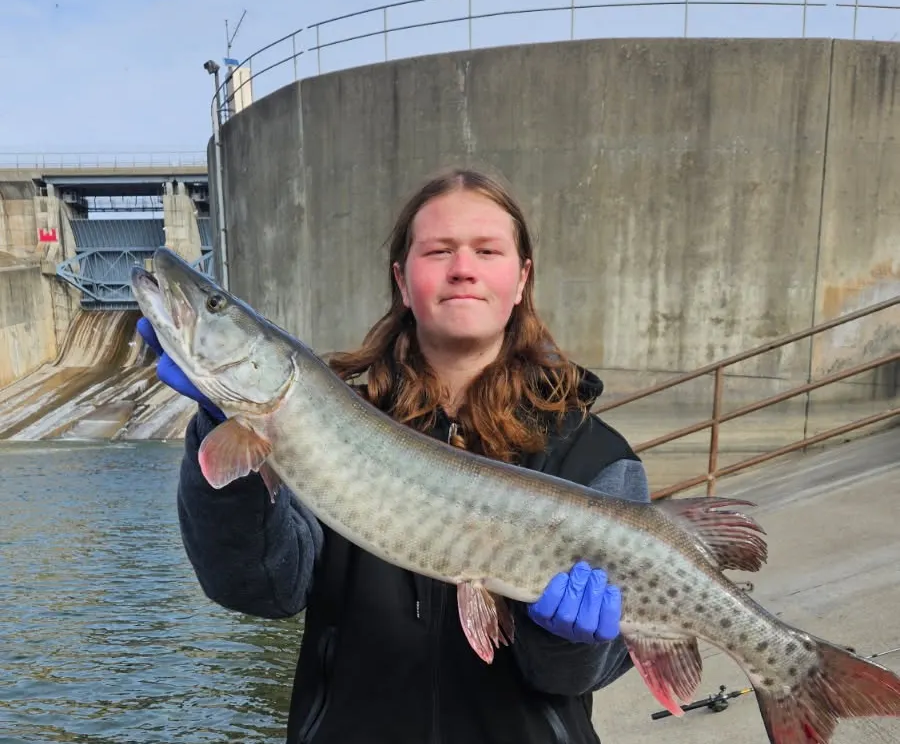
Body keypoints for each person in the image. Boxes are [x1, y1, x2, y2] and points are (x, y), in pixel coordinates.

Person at [138, 167, 651, 744]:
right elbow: (259, 587)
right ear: (403, 282)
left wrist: (567, 641)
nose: (463, 268)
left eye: (486, 250)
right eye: (438, 251)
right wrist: (225, 432)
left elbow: (587, 672)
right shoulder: (329, 420)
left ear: (521, 279)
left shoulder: (599, 456)